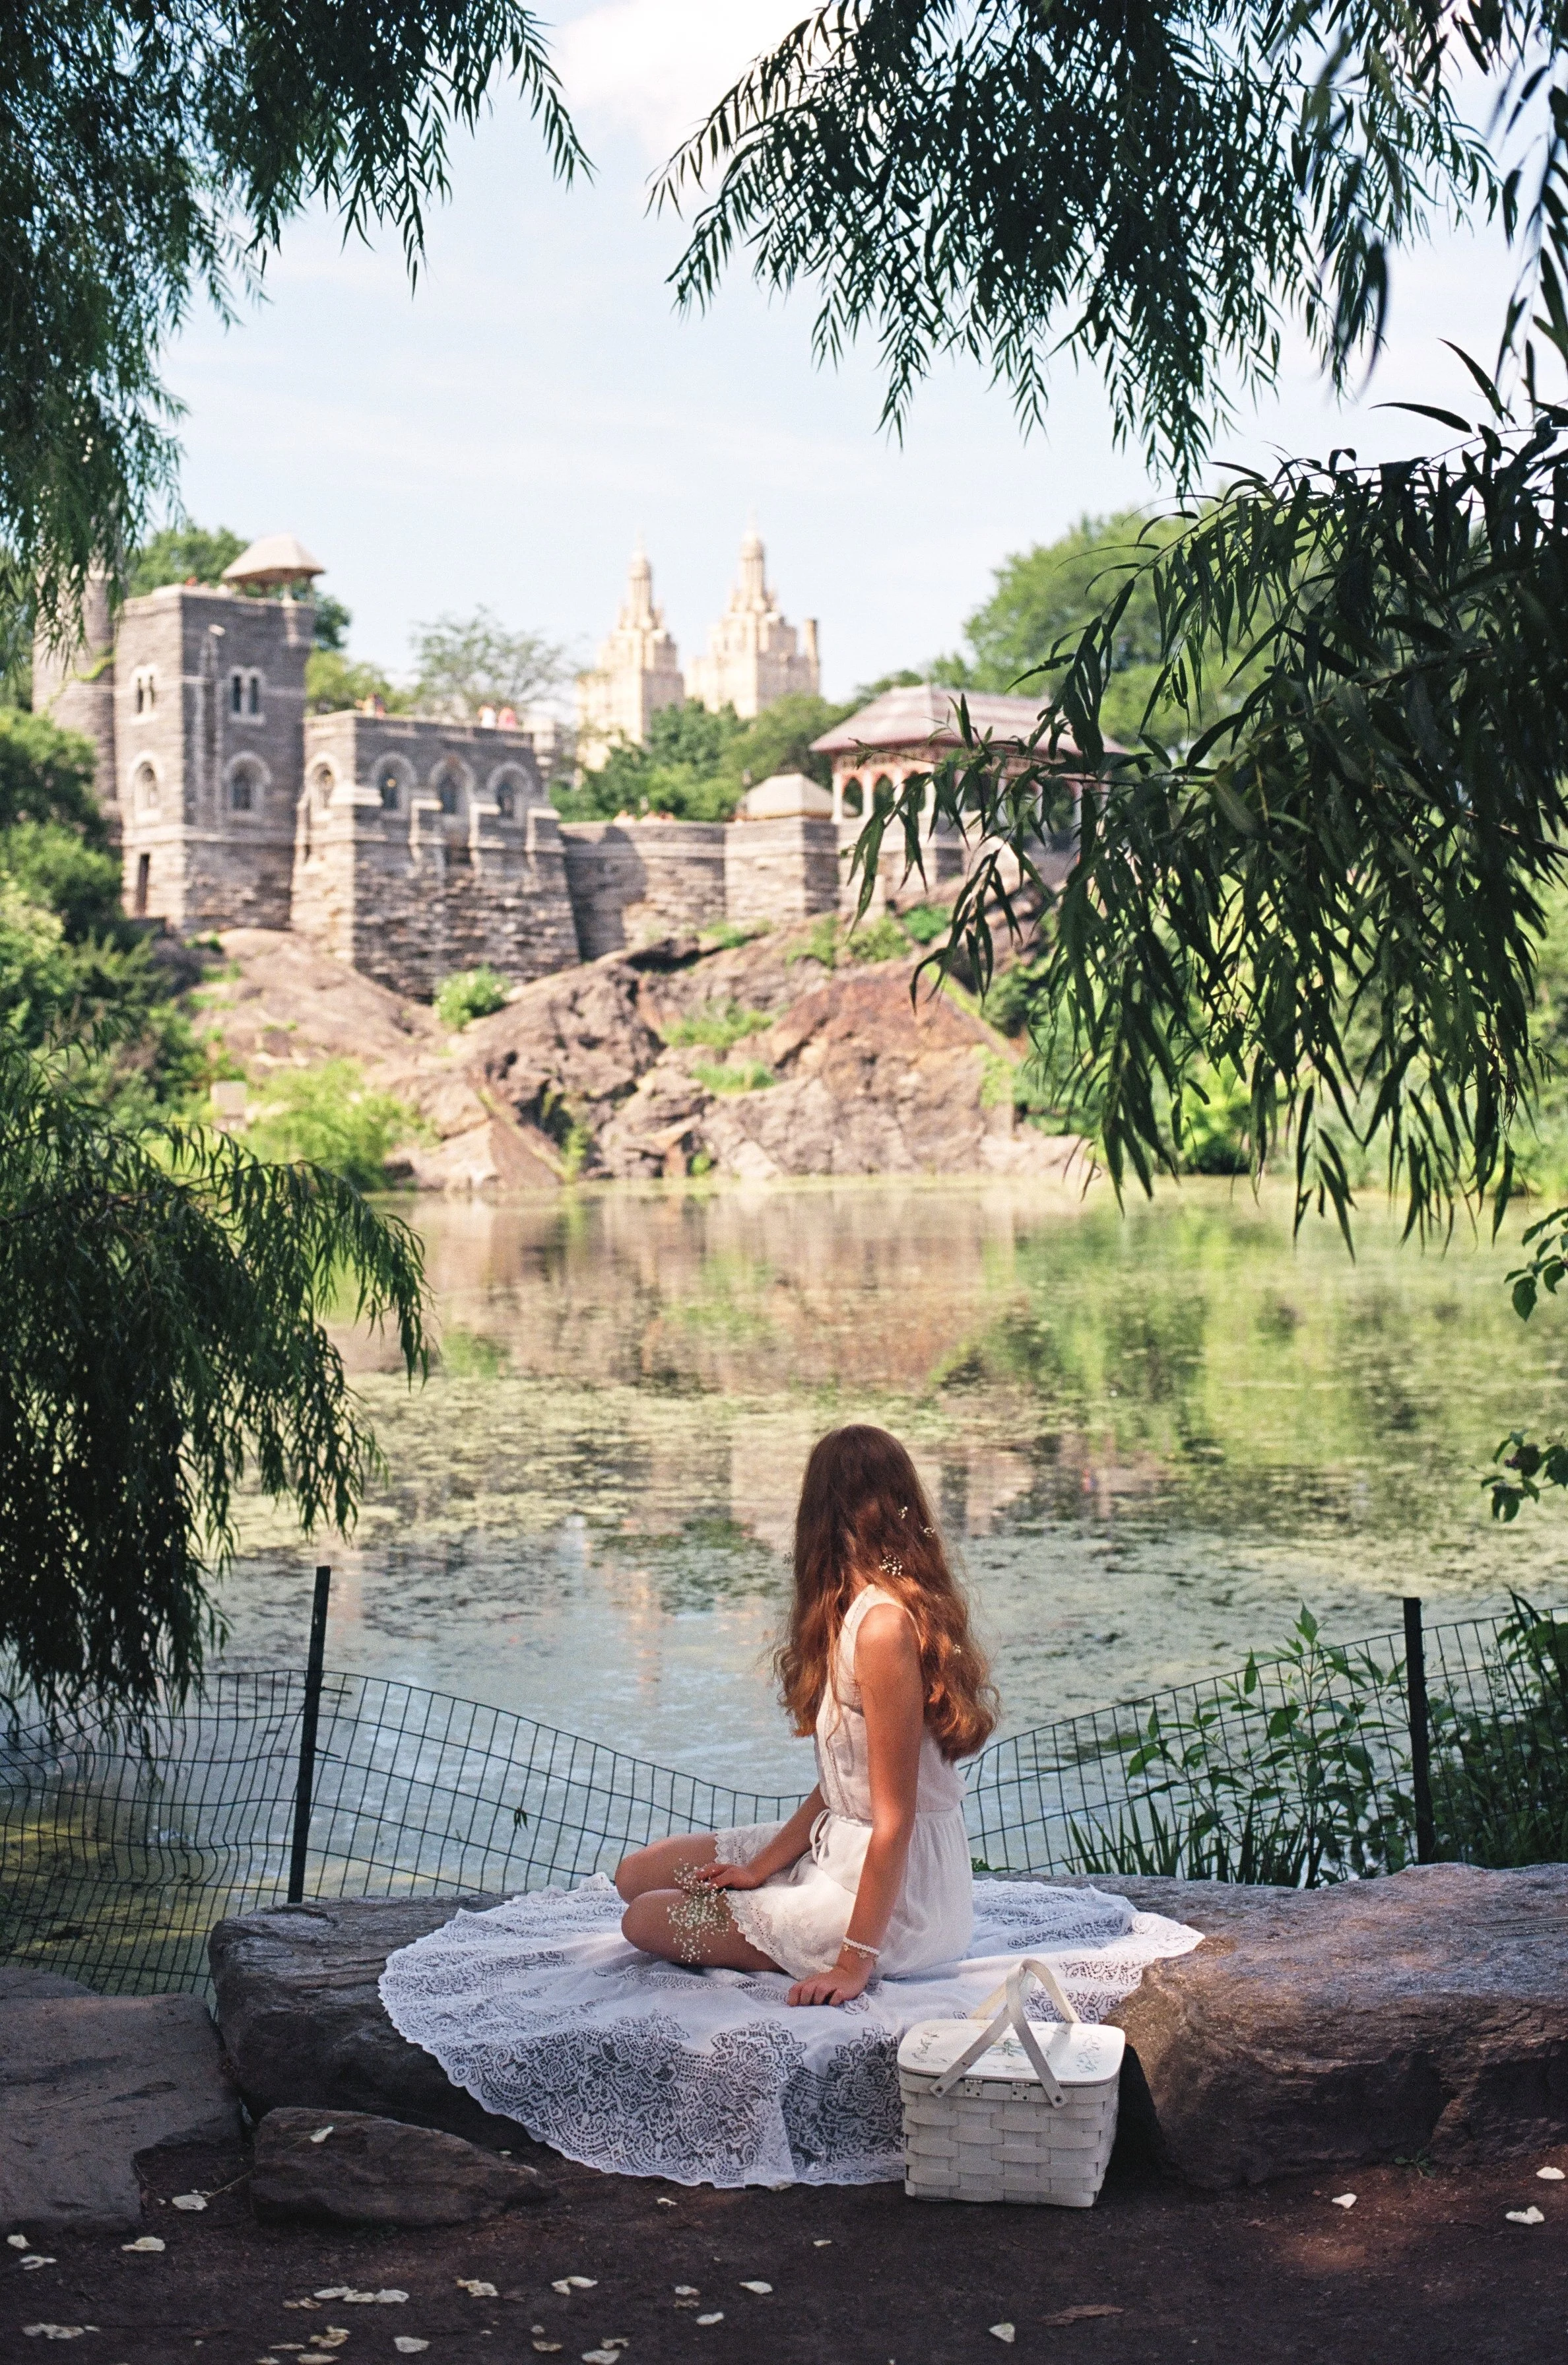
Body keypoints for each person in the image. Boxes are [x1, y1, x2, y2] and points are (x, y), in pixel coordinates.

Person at [616, 1424, 998, 2006]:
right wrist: (762, 1866)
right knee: (636, 1874)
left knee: (645, 1919)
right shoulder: (846, 1613)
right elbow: (841, 1786)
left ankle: (831, 1935)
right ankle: (777, 1893)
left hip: (898, 1899)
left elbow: (895, 1819)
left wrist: (852, 1963)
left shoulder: (884, 1628)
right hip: (837, 1844)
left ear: (818, 1513)